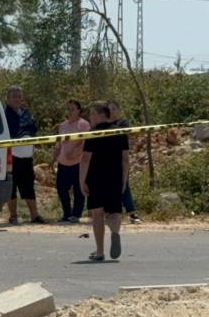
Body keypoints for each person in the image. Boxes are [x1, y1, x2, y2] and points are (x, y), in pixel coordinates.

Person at [80, 101, 129, 261]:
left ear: (102, 114)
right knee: (114, 211)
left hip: (96, 177)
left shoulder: (93, 133)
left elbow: (85, 159)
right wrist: (124, 179)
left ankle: (100, 251)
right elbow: (125, 158)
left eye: (93, 114)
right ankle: (115, 232)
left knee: (97, 213)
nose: (90, 117)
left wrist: (82, 180)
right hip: (114, 176)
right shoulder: (120, 132)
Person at [4, 86, 44, 224]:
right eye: (14, 96)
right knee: (12, 186)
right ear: (7, 98)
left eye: (19, 96)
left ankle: (34, 215)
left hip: (27, 157)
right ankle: (13, 216)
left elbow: (33, 129)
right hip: (11, 157)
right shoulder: (4, 114)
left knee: (28, 186)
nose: (17, 99)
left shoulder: (27, 113)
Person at [53, 100, 90, 223]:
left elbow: (85, 143)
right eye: (68, 109)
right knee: (61, 187)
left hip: (78, 162)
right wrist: (53, 158)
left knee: (78, 189)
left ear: (79, 110)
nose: (70, 112)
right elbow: (59, 144)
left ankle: (76, 214)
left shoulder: (84, 125)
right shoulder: (62, 126)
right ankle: (66, 213)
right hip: (63, 162)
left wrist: (74, 152)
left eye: (72, 109)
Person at [108, 100, 143, 224]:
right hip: (105, 160)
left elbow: (126, 133)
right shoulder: (103, 125)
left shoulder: (123, 123)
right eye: (109, 109)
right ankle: (110, 213)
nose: (111, 112)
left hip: (120, 159)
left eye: (114, 109)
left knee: (124, 186)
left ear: (118, 110)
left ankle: (132, 213)